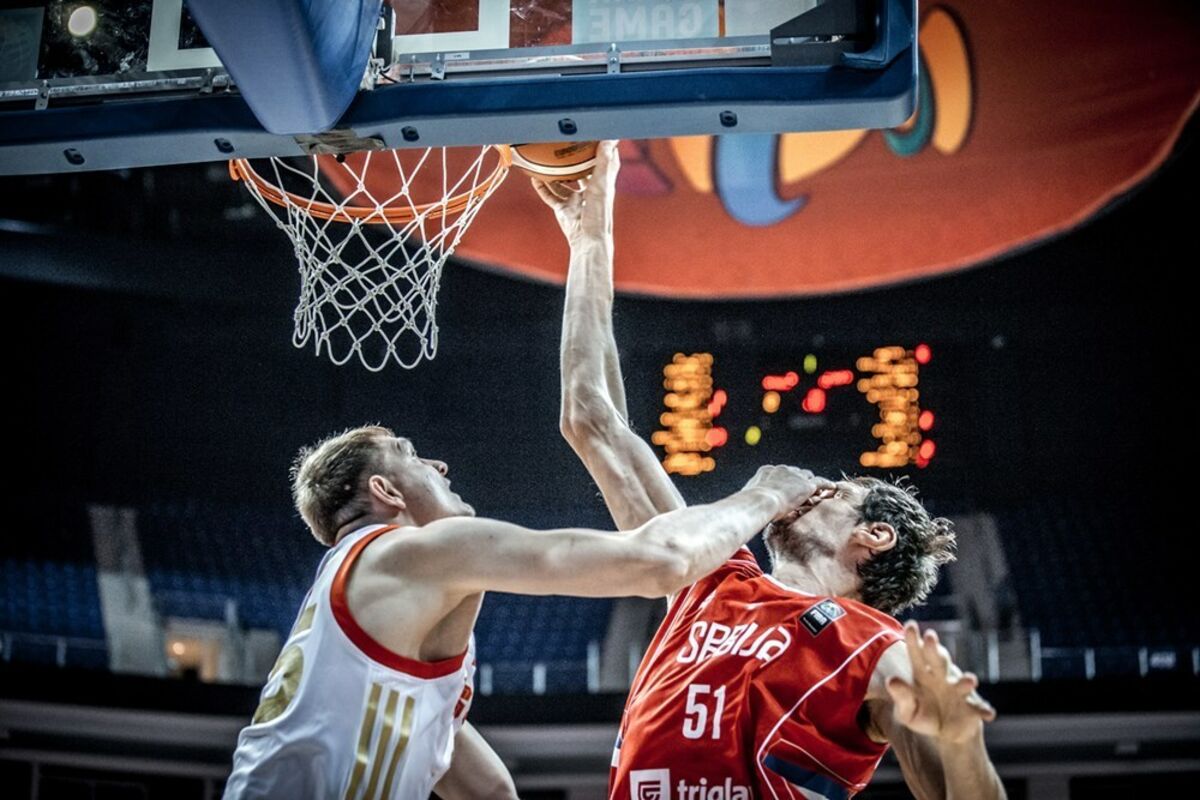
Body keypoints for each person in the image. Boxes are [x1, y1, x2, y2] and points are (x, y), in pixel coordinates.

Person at [538, 141, 1006, 799]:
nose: (809, 491)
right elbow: (590, 418)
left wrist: (961, 744)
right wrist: (589, 238)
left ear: (876, 535)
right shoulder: (710, 577)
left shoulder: (877, 647)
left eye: (835, 490)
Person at [224, 424, 833, 799]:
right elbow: (660, 562)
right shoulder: (412, 552)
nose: (439, 466)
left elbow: (486, 788)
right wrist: (766, 493)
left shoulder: (366, 617)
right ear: (385, 492)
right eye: (413, 456)